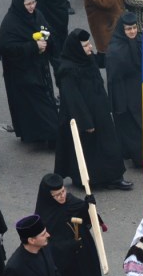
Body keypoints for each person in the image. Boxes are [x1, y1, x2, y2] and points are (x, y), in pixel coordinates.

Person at [54, 28, 132, 190]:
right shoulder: (67, 69)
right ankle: (88, 179)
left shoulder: (87, 59)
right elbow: (73, 100)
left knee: (109, 144)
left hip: (99, 112)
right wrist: (86, 123)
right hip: (84, 116)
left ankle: (114, 177)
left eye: (89, 44)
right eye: (86, 45)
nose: (90, 47)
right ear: (76, 49)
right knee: (88, 150)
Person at [0, 0, 59, 145]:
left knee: (43, 103)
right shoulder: (10, 22)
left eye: (33, 2)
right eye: (28, 4)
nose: (32, 6)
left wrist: (47, 42)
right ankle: (53, 137)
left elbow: (48, 30)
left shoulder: (37, 15)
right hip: (22, 74)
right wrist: (33, 46)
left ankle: (45, 136)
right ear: (19, 4)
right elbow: (7, 48)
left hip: (40, 69)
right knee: (37, 106)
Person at [106, 13, 143, 167]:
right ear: (122, 30)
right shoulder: (116, 50)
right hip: (124, 94)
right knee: (132, 126)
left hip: (137, 90)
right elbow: (114, 78)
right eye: (128, 29)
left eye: (134, 28)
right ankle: (139, 158)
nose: (132, 32)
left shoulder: (136, 41)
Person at [82, 0, 124, 68]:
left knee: (114, 50)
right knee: (107, 52)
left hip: (114, 20)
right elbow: (106, 2)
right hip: (103, 24)